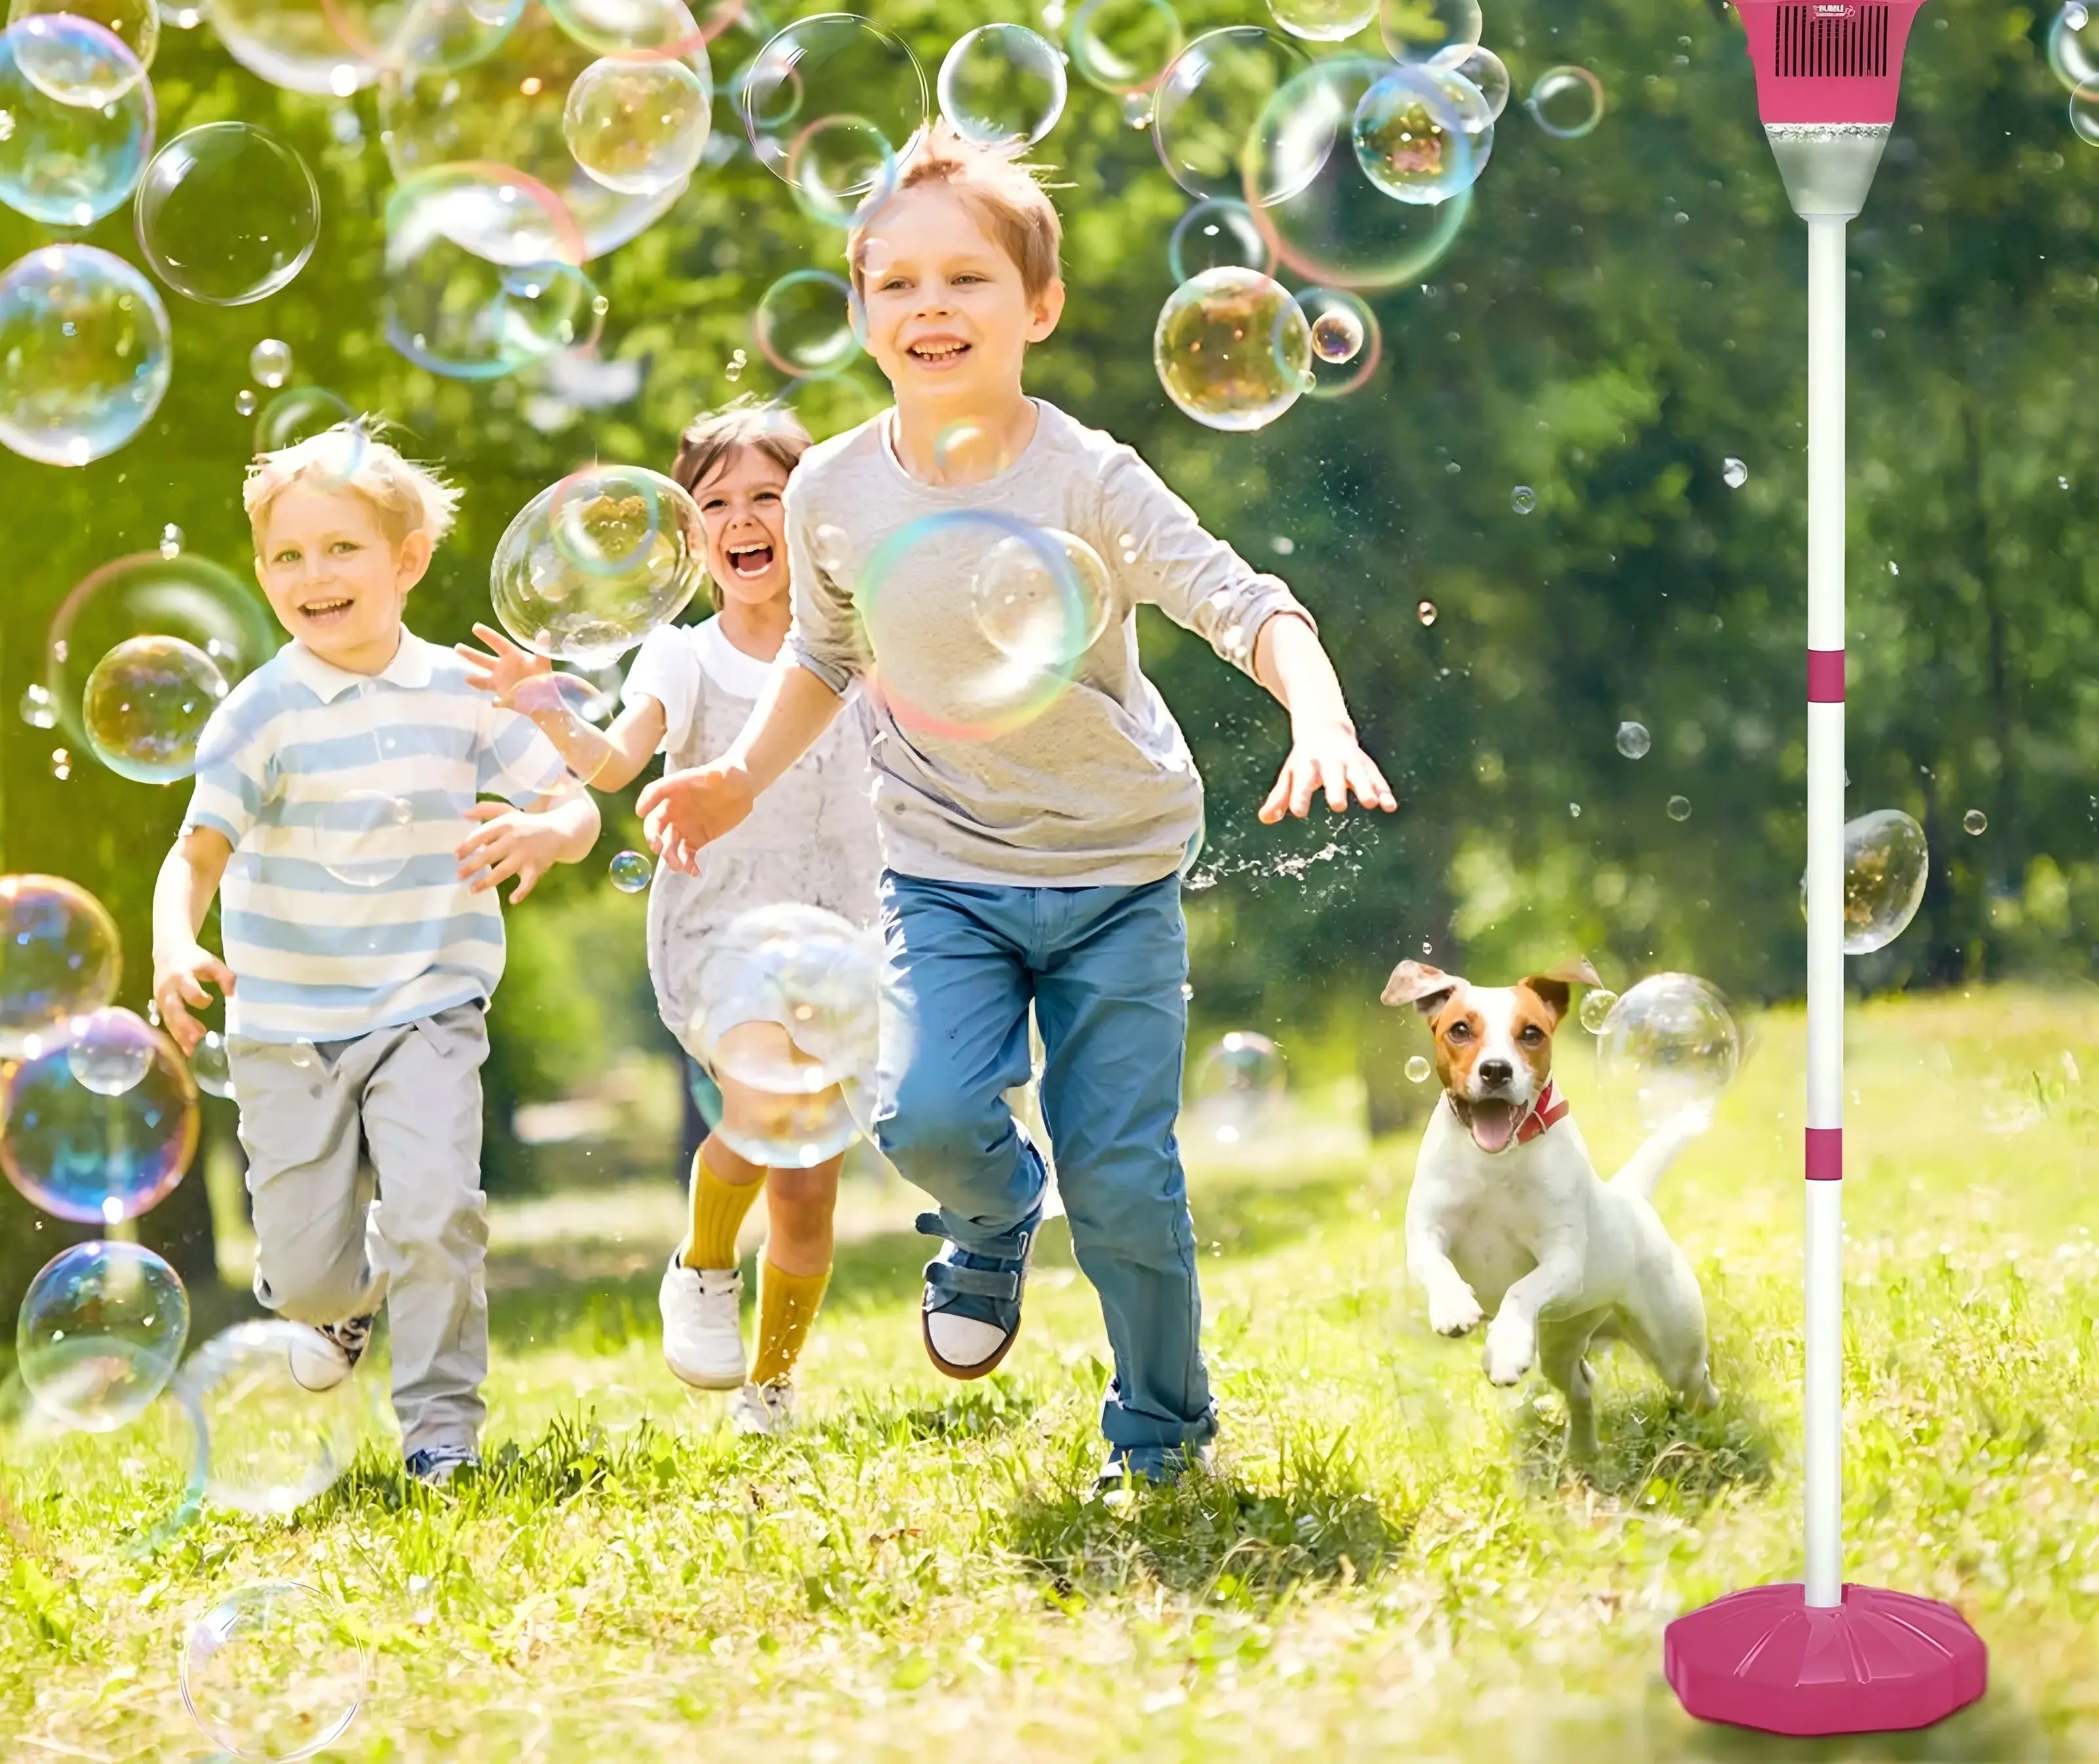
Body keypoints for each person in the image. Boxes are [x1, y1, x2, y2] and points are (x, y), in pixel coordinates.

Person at [637, 125, 1398, 1491]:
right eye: (897, 283)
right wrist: (737, 775)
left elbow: (1242, 600)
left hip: (1113, 869)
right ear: (864, 313)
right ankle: (990, 1217)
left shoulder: (1085, 477)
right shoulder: (832, 490)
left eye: (966, 279)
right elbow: (821, 653)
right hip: (941, 872)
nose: (930, 307)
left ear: (1036, 306)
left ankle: (1161, 1432)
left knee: (1126, 1180)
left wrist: (1320, 714)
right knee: (921, 1113)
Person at [150, 422, 601, 1488]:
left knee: (438, 1210)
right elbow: (195, 850)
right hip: (286, 1025)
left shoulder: (462, 690)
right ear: (262, 573)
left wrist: (549, 831)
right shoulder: (259, 711)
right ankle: (337, 1310)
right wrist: (176, 941)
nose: (314, 576)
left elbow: (572, 801)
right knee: (308, 1277)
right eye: (287, 557)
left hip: (427, 1003)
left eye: (341, 549)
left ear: (406, 561)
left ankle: (441, 1434)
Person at [459, 400, 882, 1438]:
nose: (744, 520)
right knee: (763, 1108)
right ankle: (700, 1266)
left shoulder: (865, 641)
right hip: (726, 931)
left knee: (808, 1194)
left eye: (768, 499)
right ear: (693, 537)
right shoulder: (680, 659)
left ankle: (771, 1385)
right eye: (717, 504)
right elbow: (612, 764)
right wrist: (549, 709)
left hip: (851, 934)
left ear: (812, 513)